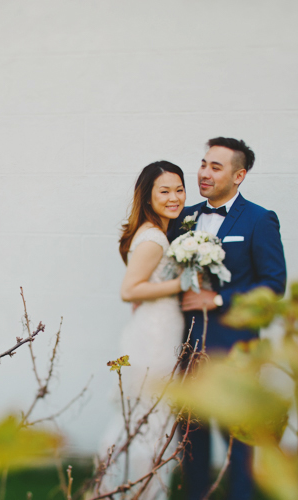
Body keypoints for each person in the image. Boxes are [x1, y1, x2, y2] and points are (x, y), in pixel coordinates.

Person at [167, 138, 287, 500]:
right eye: (203, 163)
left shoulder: (259, 219)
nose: (203, 172)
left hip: (234, 351)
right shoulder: (182, 216)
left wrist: (217, 298)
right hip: (187, 349)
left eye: (215, 167)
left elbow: (273, 285)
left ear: (239, 175)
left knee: (237, 445)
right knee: (190, 442)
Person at [102, 160, 187, 500]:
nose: (174, 197)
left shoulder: (157, 232)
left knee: (139, 420)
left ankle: (124, 491)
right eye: (164, 191)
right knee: (151, 421)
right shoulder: (153, 237)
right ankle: (142, 494)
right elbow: (129, 290)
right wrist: (182, 282)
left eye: (179, 189)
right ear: (148, 196)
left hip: (156, 329)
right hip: (155, 337)